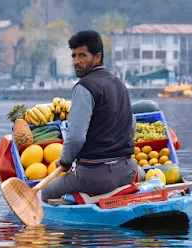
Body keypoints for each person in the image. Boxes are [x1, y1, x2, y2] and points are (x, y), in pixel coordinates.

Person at [41, 30, 137, 202]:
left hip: (95, 177)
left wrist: (65, 161)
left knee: (45, 192)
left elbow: (76, 137)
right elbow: (132, 127)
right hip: (128, 171)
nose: (76, 61)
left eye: (82, 55)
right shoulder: (119, 84)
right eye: (74, 56)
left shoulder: (85, 87)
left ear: (97, 57)